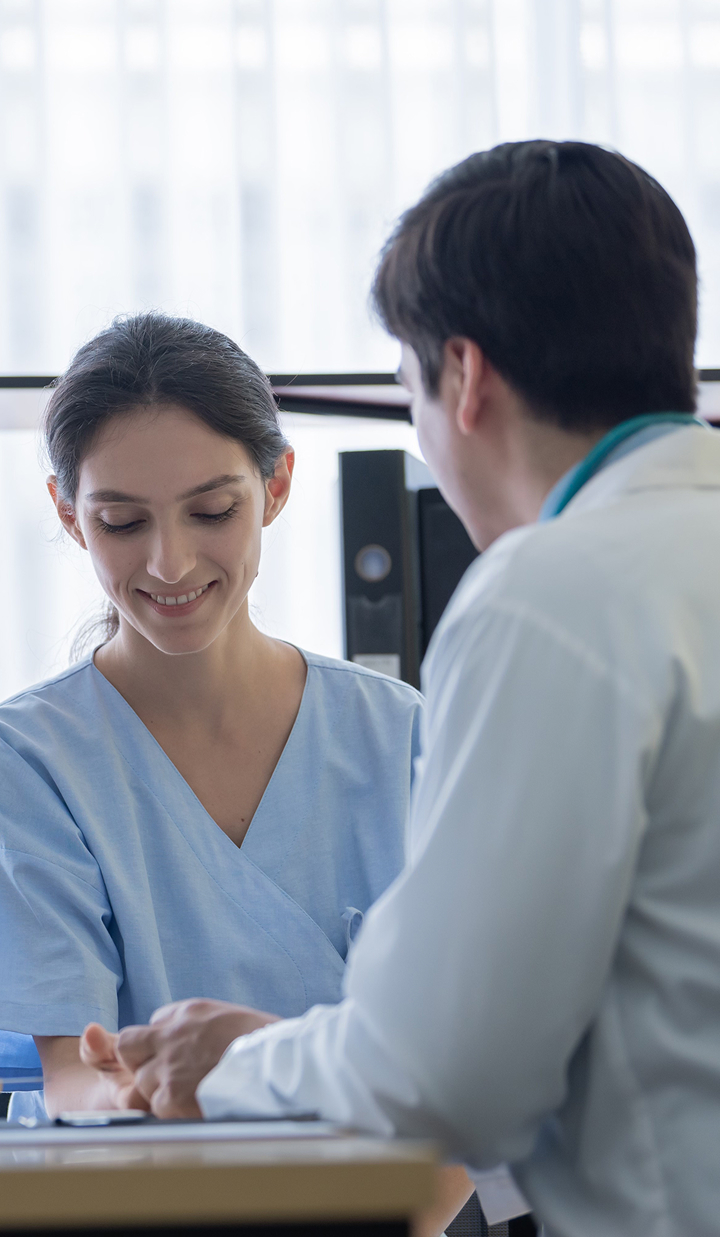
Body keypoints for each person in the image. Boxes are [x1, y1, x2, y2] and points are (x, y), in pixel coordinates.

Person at [94, 141, 720, 1237]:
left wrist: (235, 1060)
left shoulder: (548, 595)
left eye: (408, 387)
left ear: (465, 377)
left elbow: (452, 1070)